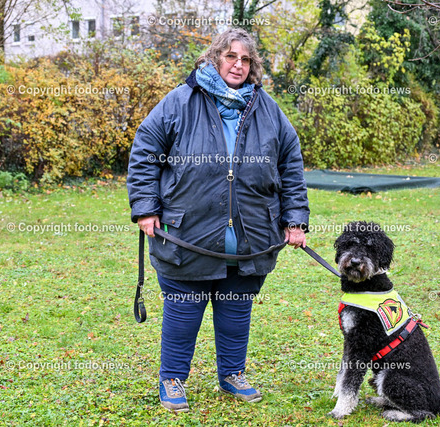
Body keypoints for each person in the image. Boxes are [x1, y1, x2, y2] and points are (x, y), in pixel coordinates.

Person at [127, 28, 309, 413]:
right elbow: (144, 152)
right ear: (215, 58)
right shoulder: (180, 101)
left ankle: (232, 375)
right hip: (186, 234)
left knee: (236, 311)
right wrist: (145, 207)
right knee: (183, 311)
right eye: (231, 57)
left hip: (250, 237)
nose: (238, 65)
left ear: (252, 65)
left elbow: (290, 165)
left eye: (245, 59)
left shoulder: (267, 109)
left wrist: (295, 220)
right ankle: (172, 379)